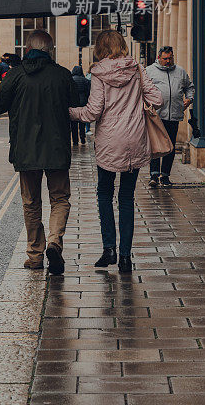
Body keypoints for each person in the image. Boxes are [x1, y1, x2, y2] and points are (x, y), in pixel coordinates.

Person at [0, 30, 79, 275]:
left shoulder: (16, 75)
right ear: (50, 50)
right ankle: (55, 242)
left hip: (26, 150)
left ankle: (35, 255)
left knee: (31, 202)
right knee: (60, 199)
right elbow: (78, 103)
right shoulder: (62, 75)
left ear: (27, 50)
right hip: (57, 149)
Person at [69, 30, 162, 274]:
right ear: (121, 45)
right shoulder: (138, 69)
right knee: (127, 198)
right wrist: (137, 102)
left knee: (104, 194)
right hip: (136, 139)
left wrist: (71, 112)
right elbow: (158, 99)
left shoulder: (99, 73)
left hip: (110, 142)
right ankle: (125, 258)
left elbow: (92, 112)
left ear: (100, 48)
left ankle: (109, 248)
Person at [145, 46, 195, 187]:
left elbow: (189, 87)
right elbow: (142, 89)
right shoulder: (149, 71)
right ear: (159, 58)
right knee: (155, 146)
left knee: (170, 147)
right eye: (165, 58)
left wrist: (189, 99)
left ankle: (165, 176)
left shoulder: (180, 71)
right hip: (156, 116)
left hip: (173, 115)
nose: (168, 61)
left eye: (170, 58)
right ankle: (154, 175)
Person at [70, 65, 91, 145]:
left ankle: (75, 140)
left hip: (73, 103)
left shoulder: (71, 80)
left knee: (74, 122)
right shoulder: (85, 80)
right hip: (83, 102)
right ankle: (82, 138)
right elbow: (88, 92)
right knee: (82, 121)